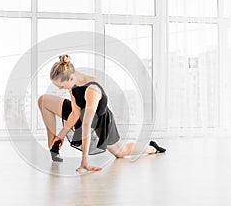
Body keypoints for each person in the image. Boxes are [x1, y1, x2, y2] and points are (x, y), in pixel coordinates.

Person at [38, 55, 166, 172]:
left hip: (100, 121)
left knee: (121, 152)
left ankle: (152, 147)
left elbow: (87, 125)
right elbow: (76, 113)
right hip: (82, 115)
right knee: (43, 101)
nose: (60, 89)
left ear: (70, 78)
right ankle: (53, 147)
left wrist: (84, 161)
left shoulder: (92, 89)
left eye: (61, 86)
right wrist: (60, 136)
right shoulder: (73, 83)